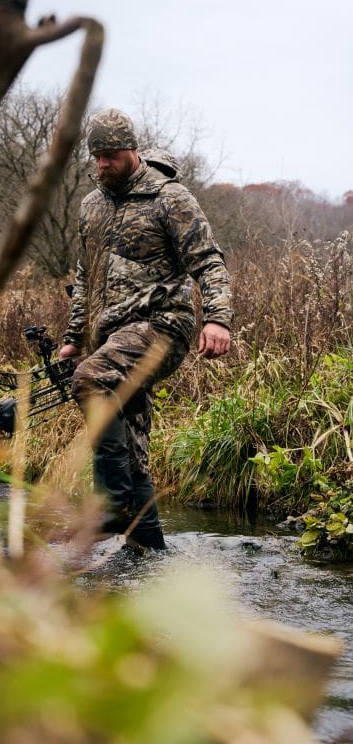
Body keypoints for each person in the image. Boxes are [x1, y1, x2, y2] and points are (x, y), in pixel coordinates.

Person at [59, 108, 233, 551]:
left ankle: (110, 506)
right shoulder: (91, 205)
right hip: (111, 337)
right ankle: (149, 552)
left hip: (162, 326)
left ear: (131, 150)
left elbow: (208, 261)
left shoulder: (169, 198)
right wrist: (73, 338)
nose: (102, 165)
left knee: (92, 378)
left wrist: (217, 318)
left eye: (111, 155)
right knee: (133, 453)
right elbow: (85, 277)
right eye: (96, 156)